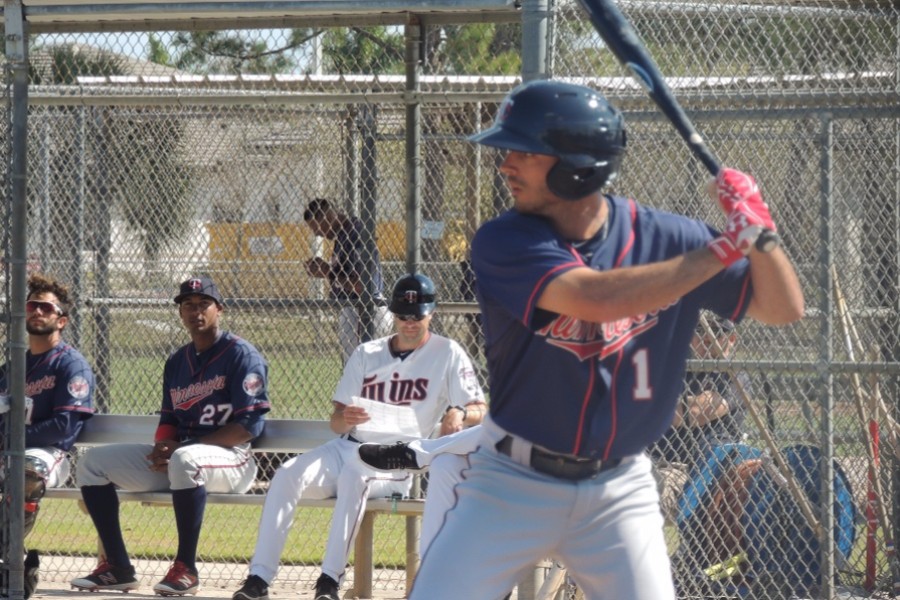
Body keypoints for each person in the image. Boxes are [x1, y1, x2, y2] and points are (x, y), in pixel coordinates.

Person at [406, 79, 804, 600]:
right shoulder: (505, 239)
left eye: (524, 153)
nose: (505, 165)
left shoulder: (670, 239)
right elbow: (595, 298)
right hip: (510, 480)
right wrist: (725, 248)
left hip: (619, 487)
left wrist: (762, 235)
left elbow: (784, 308)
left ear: (576, 167)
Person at [230, 273, 485, 600]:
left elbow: (480, 407)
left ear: (431, 313)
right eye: (403, 316)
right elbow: (336, 423)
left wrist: (460, 412)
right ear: (393, 314)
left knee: (355, 476)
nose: (409, 322)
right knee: (287, 474)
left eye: (417, 316)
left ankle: (329, 581)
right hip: (347, 446)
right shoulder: (367, 352)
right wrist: (344, 417)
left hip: (396, 459)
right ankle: (259, 578)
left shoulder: (447, 352)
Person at [70, 276, 271, 596]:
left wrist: (182, 449)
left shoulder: (241, 355)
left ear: (219, 309)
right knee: (92, 463)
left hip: (233, 461)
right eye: (188, 305)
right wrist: (162, 447)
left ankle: (186, 569)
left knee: (185, 458)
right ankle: (118, 568)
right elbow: (169, 417)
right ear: (180, 313)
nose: (196, 311)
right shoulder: (178, 361)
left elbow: (248, 426)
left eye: (204, 304)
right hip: (184, 460)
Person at [0, 274, 95, 538]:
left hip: (48, 454)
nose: (37, 311)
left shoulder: (71, 365)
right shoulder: (13, 367)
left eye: (46, 308)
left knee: (26, 474)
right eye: (32, 306)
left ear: (61, 320)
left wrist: (10, 440)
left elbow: (63, 427)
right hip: (8, 449)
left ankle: (8, 557)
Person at [650, 313, 752, 472]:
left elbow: (695, 412)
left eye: (716, 332)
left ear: (731, 339)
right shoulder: (676, 369)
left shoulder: (734, 375)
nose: (706, 337)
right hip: (654, 459)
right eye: (700, 330)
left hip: (697, 470)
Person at [303, 198, 392, 362]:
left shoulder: (355, 234)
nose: (317, 233)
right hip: (353, 308)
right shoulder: (343, 237)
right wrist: (327, 270)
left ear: (330, 217)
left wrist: (328, 272)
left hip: (366, 310)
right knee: (355, 369)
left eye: (317, 227)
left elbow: (363, 286)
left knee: (364, 370)